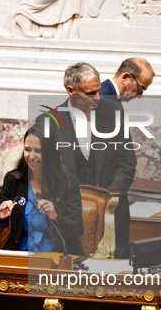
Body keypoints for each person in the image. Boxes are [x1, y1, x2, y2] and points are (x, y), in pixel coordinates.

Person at [37, 62, 137, 259]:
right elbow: (42, 173)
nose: (98, 97)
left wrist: (109, 200)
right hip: (67, 219)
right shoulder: (47, 122)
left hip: (112, 216)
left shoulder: (113, 111)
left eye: (98, 90)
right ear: (71, 91)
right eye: (91, 93)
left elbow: (127, 163)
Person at [0, 123, 84, 255]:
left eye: (38, 151)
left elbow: (77, 229)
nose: (31, 156)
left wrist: (56, 217)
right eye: (28, 150)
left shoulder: (68, 181)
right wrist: (1, 216)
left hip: (58, 257)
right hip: (22, 257)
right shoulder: (13, 180)